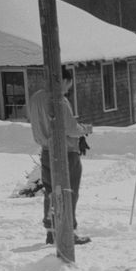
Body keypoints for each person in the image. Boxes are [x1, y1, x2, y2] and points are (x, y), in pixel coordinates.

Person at [27, 67, 91, 245]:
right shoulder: (59, 100)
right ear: (63, 80)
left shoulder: (36, 98)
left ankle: (51, 230)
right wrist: (84, 130)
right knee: (69, 191)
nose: (69, 89)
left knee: (51, 191)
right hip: (66, 152)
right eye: (69, 84)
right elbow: (70, 128)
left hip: (46, 151)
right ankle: (68, 231)